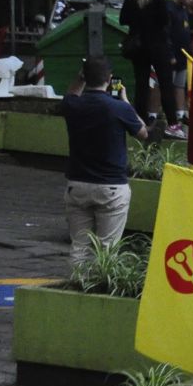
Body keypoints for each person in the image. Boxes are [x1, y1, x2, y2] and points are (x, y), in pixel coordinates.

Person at [59, 56, 147, 264]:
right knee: (107, 249)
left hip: (78, 184)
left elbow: (71, 94)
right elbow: (143, 133)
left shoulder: (72, 105)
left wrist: (80, 78)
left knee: (79, 246)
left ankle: (76, 285)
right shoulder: (119, 108)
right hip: (112, 187)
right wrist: (125, 101)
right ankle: (98, 286)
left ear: (84, 77)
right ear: (109, 78)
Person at [120, 0, 184, 137]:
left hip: (138, 47)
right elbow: (164, 21)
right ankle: (172, 123)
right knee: (165, 84)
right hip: (158, 46)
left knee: (141, 84)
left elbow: (122, 19)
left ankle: (140, 120)